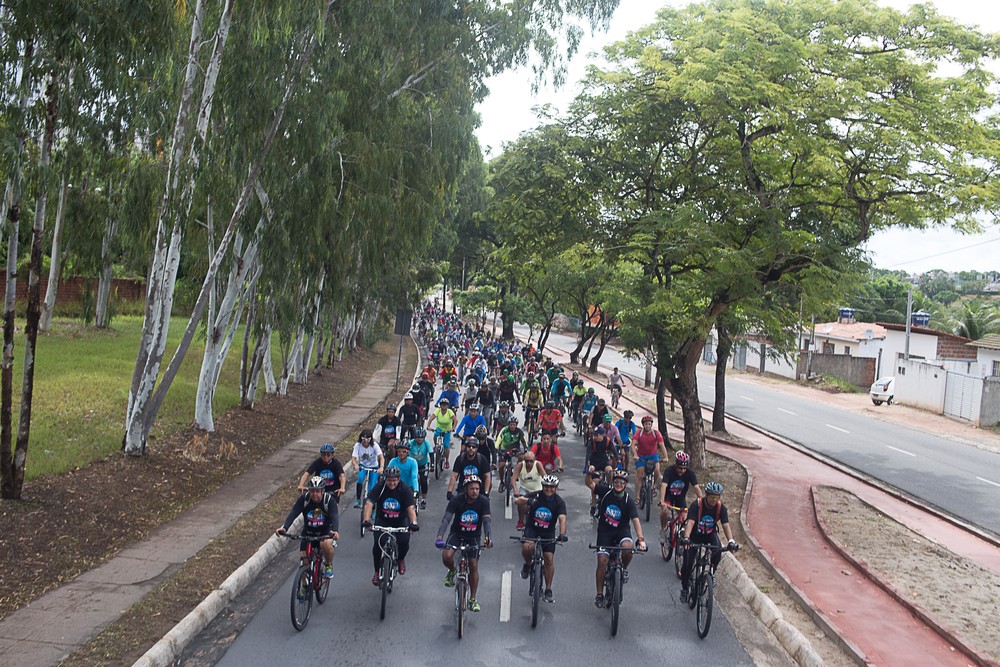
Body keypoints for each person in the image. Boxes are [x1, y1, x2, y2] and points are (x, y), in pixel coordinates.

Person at [435, 475, 493, 612]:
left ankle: (472, 599)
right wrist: (439, 537)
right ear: (466, 489)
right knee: (447, 556)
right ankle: (452, 571)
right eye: (472, 488)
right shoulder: (457, 500)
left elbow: (486, 521)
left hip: (474, 536)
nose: (475, 491)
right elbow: (446, 519)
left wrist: (488, 538)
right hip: (457, 534)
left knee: (473, 565)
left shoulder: (483, 501)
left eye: (477, 489)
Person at [593, 470, 647, 607]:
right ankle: (599, 594)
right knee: (602, 561)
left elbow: (635, 520)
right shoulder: (605, 492)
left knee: (628, 548)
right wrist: (590, 474)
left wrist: (640, 539)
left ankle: (623, 568)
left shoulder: (628, 500)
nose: (618, 485)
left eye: (621, 483)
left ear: (625, 484)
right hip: (605, 531)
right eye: (616, 482)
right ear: (612, 483)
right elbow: (590, 484)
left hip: (622, 531)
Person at [680, 481, 738, 604]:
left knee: (718, 550)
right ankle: (685, 588)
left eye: (717, 497)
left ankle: (711, 573)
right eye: (712, 496)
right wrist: (686, 538)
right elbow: (690, 522)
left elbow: (726, 526)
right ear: (706, 494)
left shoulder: (721, 508)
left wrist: (731, 541)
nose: (714, 499)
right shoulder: (697, 505)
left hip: (709, 534)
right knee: (687, 564)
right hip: (694, 535)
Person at [516, 474, 568, 603]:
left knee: (549, 558)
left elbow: (562, 519)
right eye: (546, 487)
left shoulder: (559, 502)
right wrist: (528, 501)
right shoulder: (536, 495)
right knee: (527, 547)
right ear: (542, 486)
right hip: (532, 529)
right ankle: (528, 565)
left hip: (548, 532)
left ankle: (548, 589)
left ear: (556, 488)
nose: (548, 490)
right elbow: (517, 501)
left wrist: (562, 534)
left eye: (551, 487)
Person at [276, 476, 340, 579]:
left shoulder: (329, 501)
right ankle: (304, 588)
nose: (315, 494)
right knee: (303, 561)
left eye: (317, 491)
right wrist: (284, 528)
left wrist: (335, 531)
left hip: (324, 532)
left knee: (326, 544)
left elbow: (334, 516)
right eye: (312, 491)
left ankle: (328, 565)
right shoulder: (304, 499)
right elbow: (294, 513)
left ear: (323, 491)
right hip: (308, 532)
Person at [363, 466, 418, 584]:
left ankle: (401, 559)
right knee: (378, 545)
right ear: (385, 479)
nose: (391, 483)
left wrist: (413, 523)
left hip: (400, 521)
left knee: (404, 541)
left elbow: (410, 508)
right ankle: (377, 572)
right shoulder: (380, 487)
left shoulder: (405, 489)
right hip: (382, 520)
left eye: (394, 480)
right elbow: (369, 503)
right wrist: (366, 520)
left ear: (398, 479)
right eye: (389, 480)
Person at [660, 450, 702, 542]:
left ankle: (680, 539)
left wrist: (702, 502)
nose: (682, 470)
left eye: (684, 468)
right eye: (680, 468)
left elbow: (696, 487)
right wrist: (662, 501)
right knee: (665, 512)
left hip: (680, 498)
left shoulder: (690, 473)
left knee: (685, 518)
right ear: (676, 465)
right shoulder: (669, 471)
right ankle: (663, 530)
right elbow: (664, 486)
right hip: (669, 497)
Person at [633, 414, 669, 496]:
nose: (647, 426)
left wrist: (665, 457)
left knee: (657, 471)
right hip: (641, 456)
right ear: (643, 425)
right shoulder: (639, 433)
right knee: (640, 473)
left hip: (653, 456)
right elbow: (633, 445)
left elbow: (662, 445)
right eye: (646, 424)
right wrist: (635, 455)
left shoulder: (656, 433)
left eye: (649, 424)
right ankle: (638, 496)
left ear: (651, 425)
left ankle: (653, 485)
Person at [585, 427, 616, 512]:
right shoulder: (592, 441)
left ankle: (609, 486)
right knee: (594, 483)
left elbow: (614, 450)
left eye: (597, 435)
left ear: (601, 435)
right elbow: (588, 453)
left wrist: (618, 460)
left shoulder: (607, 441)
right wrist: (587, 465)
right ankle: (593, 504)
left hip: (604, 461)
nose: (595, 436)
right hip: (594, 463)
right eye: (594, 435)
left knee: (610, 471)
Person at [513, 451, 546, 529]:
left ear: (534, 460)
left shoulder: (538, 465)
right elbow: (513, 479)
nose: (529, 463)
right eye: (527, 461)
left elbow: (545, 477)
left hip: (537, 489)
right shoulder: (520, 465)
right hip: (525, 489)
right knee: (521, 502)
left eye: (531, 461)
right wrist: (515, 491)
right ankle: (520, 521)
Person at [351, 429, 384, 508]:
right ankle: (358, 499)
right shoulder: (357, 445)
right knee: (360, 479)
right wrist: (355, 465)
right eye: (364, 439)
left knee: (372, 487)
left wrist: (381, 467)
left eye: (368, 439)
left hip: (374, 467)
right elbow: (353, 458)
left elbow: (381, 457)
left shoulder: (375, 445)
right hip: (363, 466)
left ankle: (372, 506)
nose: (366, 442)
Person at [496, 416, 527, 489]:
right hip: (504, 449)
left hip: (515, 449)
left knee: (522, 458)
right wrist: (496, 447)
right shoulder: (504, 430)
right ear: (508, 424)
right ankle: (501, 482)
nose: (512, 426)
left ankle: (516, 473)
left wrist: (525, 448)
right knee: (501, 466)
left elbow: (524, 440)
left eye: (514, 424)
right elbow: (499, 439)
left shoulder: (519, 431)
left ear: (516, 425)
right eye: (511, 424)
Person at [426, 398, 456, 469]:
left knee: (446, 445)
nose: (443, 406)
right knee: (435, 435)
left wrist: (453, 428)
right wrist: (428, 426)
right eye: (442, 405)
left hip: (447, 430)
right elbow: (431, 418)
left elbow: (455, 420)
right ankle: (436, 446)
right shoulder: (438, 411)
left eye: (445, 405)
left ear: (447, 406)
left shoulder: (450, 412)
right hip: (439, 428)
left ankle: (447, 461)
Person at [409, 427, 433, 508]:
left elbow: (431, 453)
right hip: (413, 465)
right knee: (411, 481)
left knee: (423, 481)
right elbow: (405, 451)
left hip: (424, 465)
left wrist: (432, 464)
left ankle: (423, 499)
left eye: (421, 437)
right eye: (417, 437)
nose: (419, 439)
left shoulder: (426, 443)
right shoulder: (411, 443)